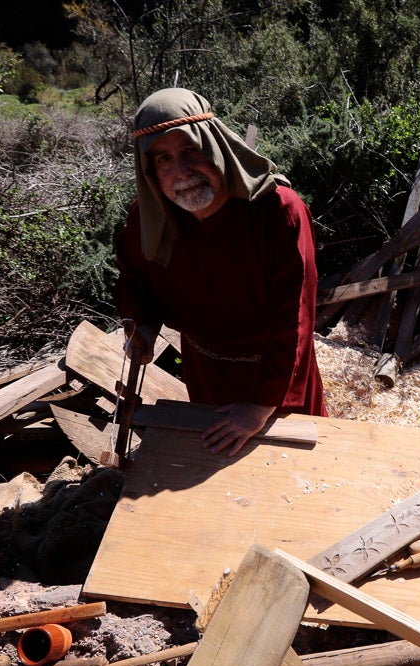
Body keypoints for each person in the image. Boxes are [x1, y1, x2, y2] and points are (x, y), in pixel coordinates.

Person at [113, 87, 328, 456]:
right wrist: (142, 326)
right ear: (149, 170)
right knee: (215, 464)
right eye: (163, 159)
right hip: (205, 371)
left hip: (277, 375)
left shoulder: (279, 212)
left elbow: (294, 318)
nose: (182, 172)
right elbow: (136, 280)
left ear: (215, 146)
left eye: (191, 151)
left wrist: (260, 405)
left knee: (296, 465)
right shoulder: (148, 217)